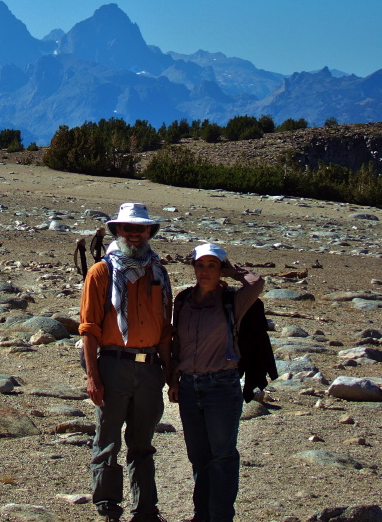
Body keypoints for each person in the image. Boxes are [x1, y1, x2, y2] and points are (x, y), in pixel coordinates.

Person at [79, 203, 172, 522]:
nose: (134, 234)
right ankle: (108, 507)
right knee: (107, 440)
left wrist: (172, 377)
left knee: (142, 442)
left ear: (149, 233)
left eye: (140, 228)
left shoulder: (159, 272)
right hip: (113, 366)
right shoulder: (101, 272)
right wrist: (93, 377)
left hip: (150, 369)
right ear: (117, 231)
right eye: (127, 228)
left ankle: (146, 510)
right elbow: (88, 329)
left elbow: (165, 332)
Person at [168, 243, 265, 522]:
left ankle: (220, 516)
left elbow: (257, 282)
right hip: (188, 386)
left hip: (221, 385)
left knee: (222, 456)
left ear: (220, 269)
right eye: (201, 265)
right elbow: (177, 343)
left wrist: (233, 271)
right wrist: (173, 378)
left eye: (212, 266)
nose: (205, 272)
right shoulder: (183, 299)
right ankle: (202, 515)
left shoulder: (232, 299)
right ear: (194, 268)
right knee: (198, 456)